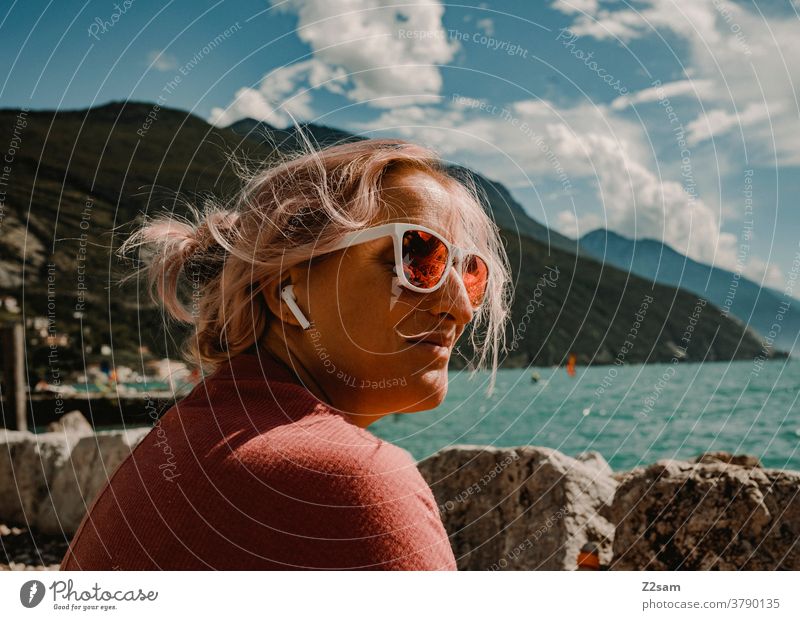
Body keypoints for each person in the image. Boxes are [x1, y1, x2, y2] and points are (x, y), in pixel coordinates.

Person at [59, 136, 512, 570]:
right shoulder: (349, 481)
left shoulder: (183, 440)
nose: (460, 307)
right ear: (286, 291)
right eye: (419, 256)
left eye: (469, 272)